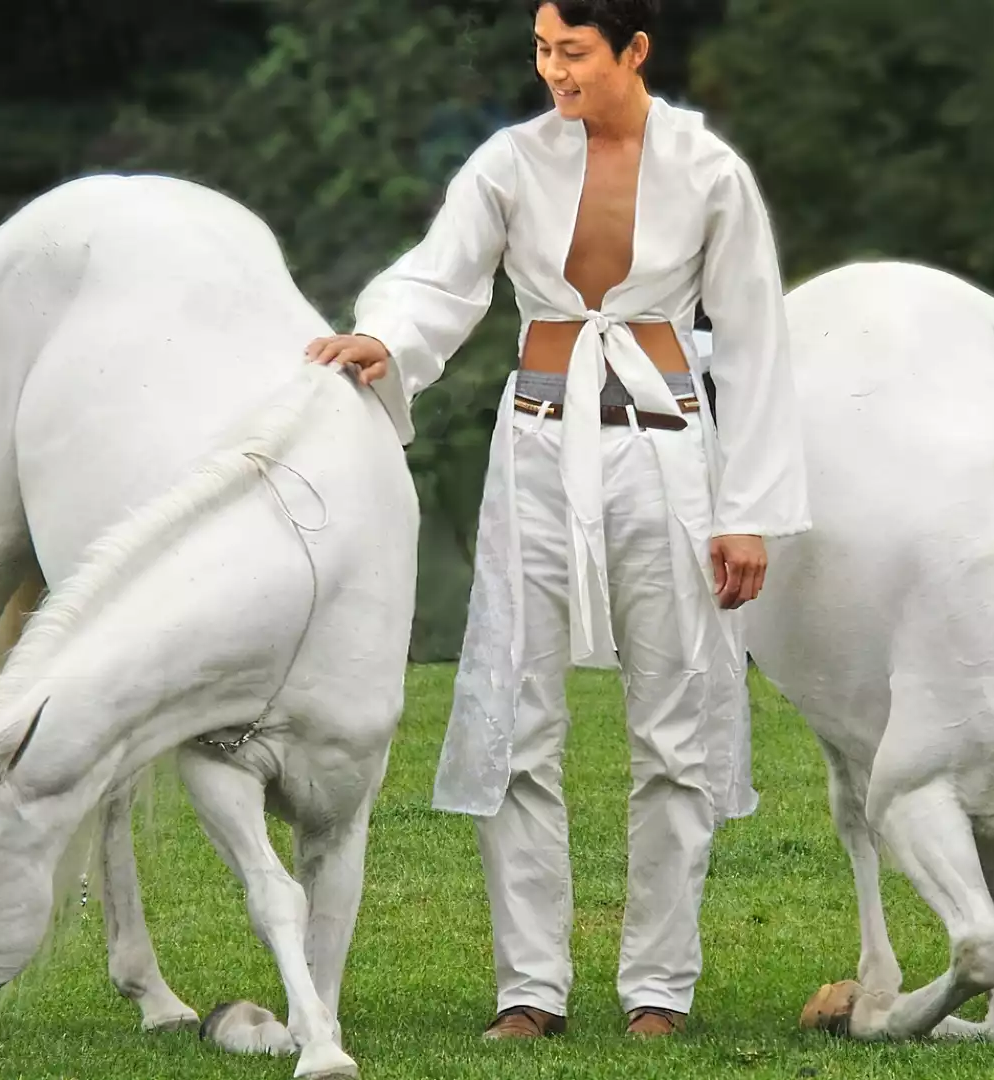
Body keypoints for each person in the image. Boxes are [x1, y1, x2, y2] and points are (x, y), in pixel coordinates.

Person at [305, 0, 808, 1041]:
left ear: (634, 50)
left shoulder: (709, 171)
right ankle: (529, 988)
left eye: (572, 51)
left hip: (667, 455)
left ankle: (659, 990)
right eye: (541, 50)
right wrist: (385, 338)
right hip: (536, 447)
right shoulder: (510, 162)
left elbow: (756, 338)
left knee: (674, 723)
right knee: (516, 713)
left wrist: (748, 512)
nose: (553, 71)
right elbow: (440, 277)